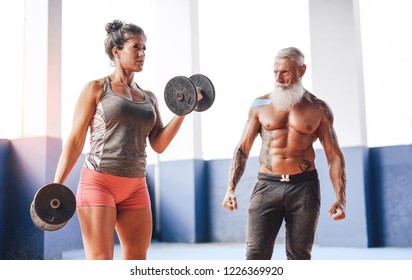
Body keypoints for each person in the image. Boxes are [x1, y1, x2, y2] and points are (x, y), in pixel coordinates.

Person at [53, 20, 187, 260]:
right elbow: (75, 141)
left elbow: (158, 144)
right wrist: (57, 185)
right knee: (102, 261)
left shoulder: (150, 98)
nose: (142, 53)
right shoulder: (96, 88)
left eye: (144, 48)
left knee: (136, 262)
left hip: (136, 185)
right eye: (136, 47)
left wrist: (183, 111)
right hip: (98, 183)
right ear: (117, 51)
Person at [222, 47, 346, 260]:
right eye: (275, 72)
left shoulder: (318, 108)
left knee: (299, 256)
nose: (278, 77)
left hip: (304, 187)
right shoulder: (260, 105)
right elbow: (243, 148)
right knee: (255, 255)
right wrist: (230, 188)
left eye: (285, 72)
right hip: (266, 185)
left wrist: (340, 198)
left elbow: (333, 155)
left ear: (302, 70)